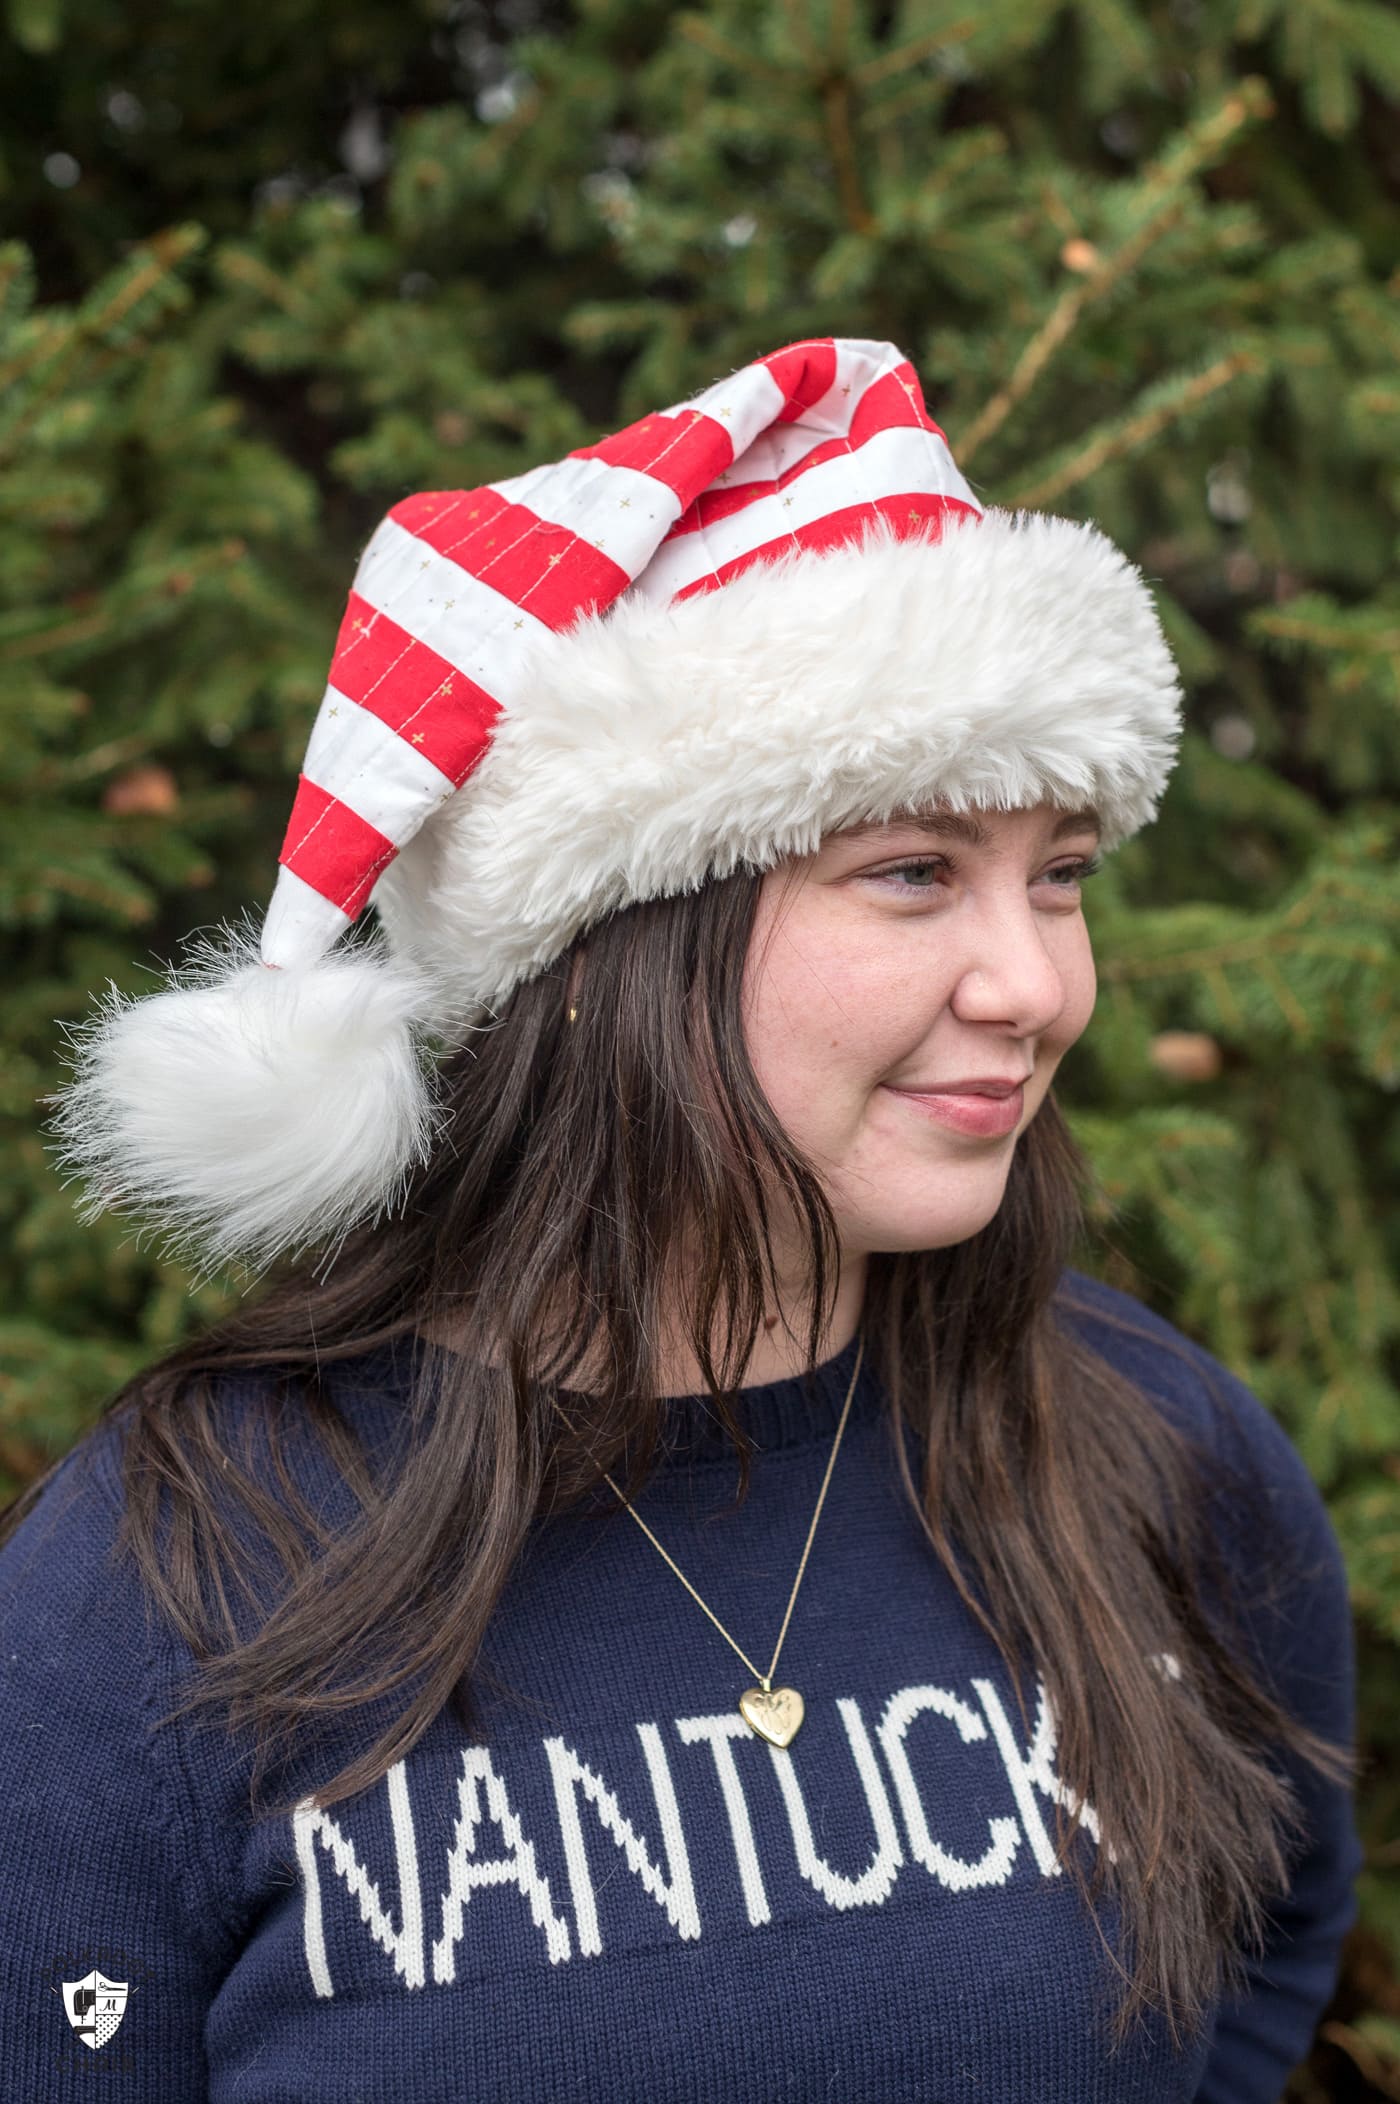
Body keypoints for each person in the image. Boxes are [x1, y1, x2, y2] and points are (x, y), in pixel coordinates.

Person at [2, 338, 1360, 2102]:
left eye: (1062, 875)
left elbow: (1273, 1931)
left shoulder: (1151, 1449)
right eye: (913, 872)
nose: (1037, 980)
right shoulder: (176, 1572)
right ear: (606, 951)